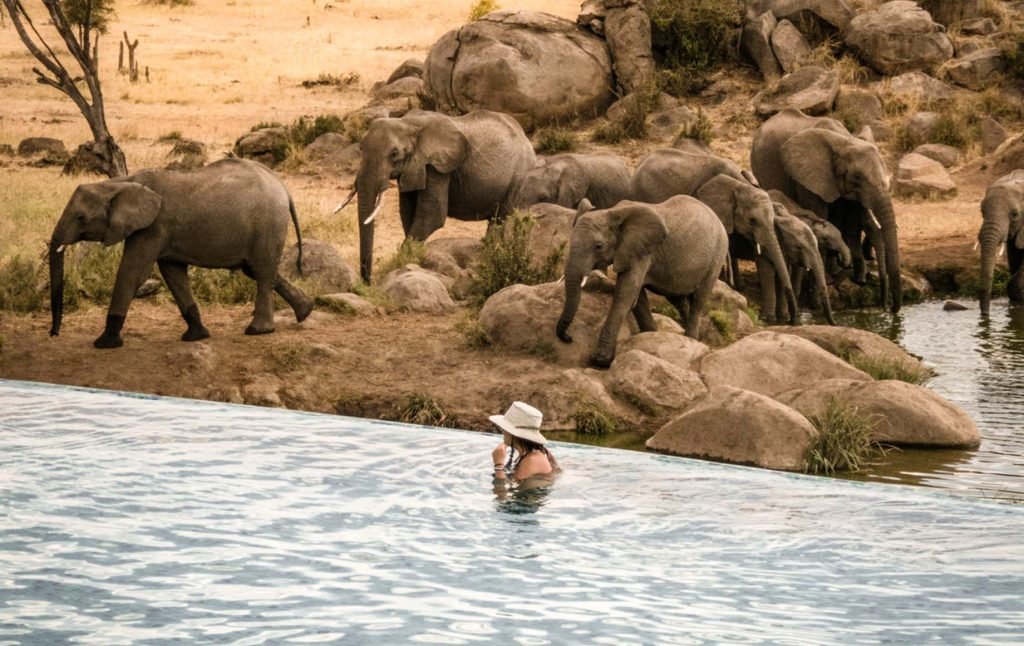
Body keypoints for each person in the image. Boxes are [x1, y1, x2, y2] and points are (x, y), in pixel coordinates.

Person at [489, 401, 559, 482]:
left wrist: (498, 464)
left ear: (514, 433)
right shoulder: (530, 453)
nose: (503, 432)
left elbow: (502, 493)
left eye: (505, 428)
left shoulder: (532, 460)